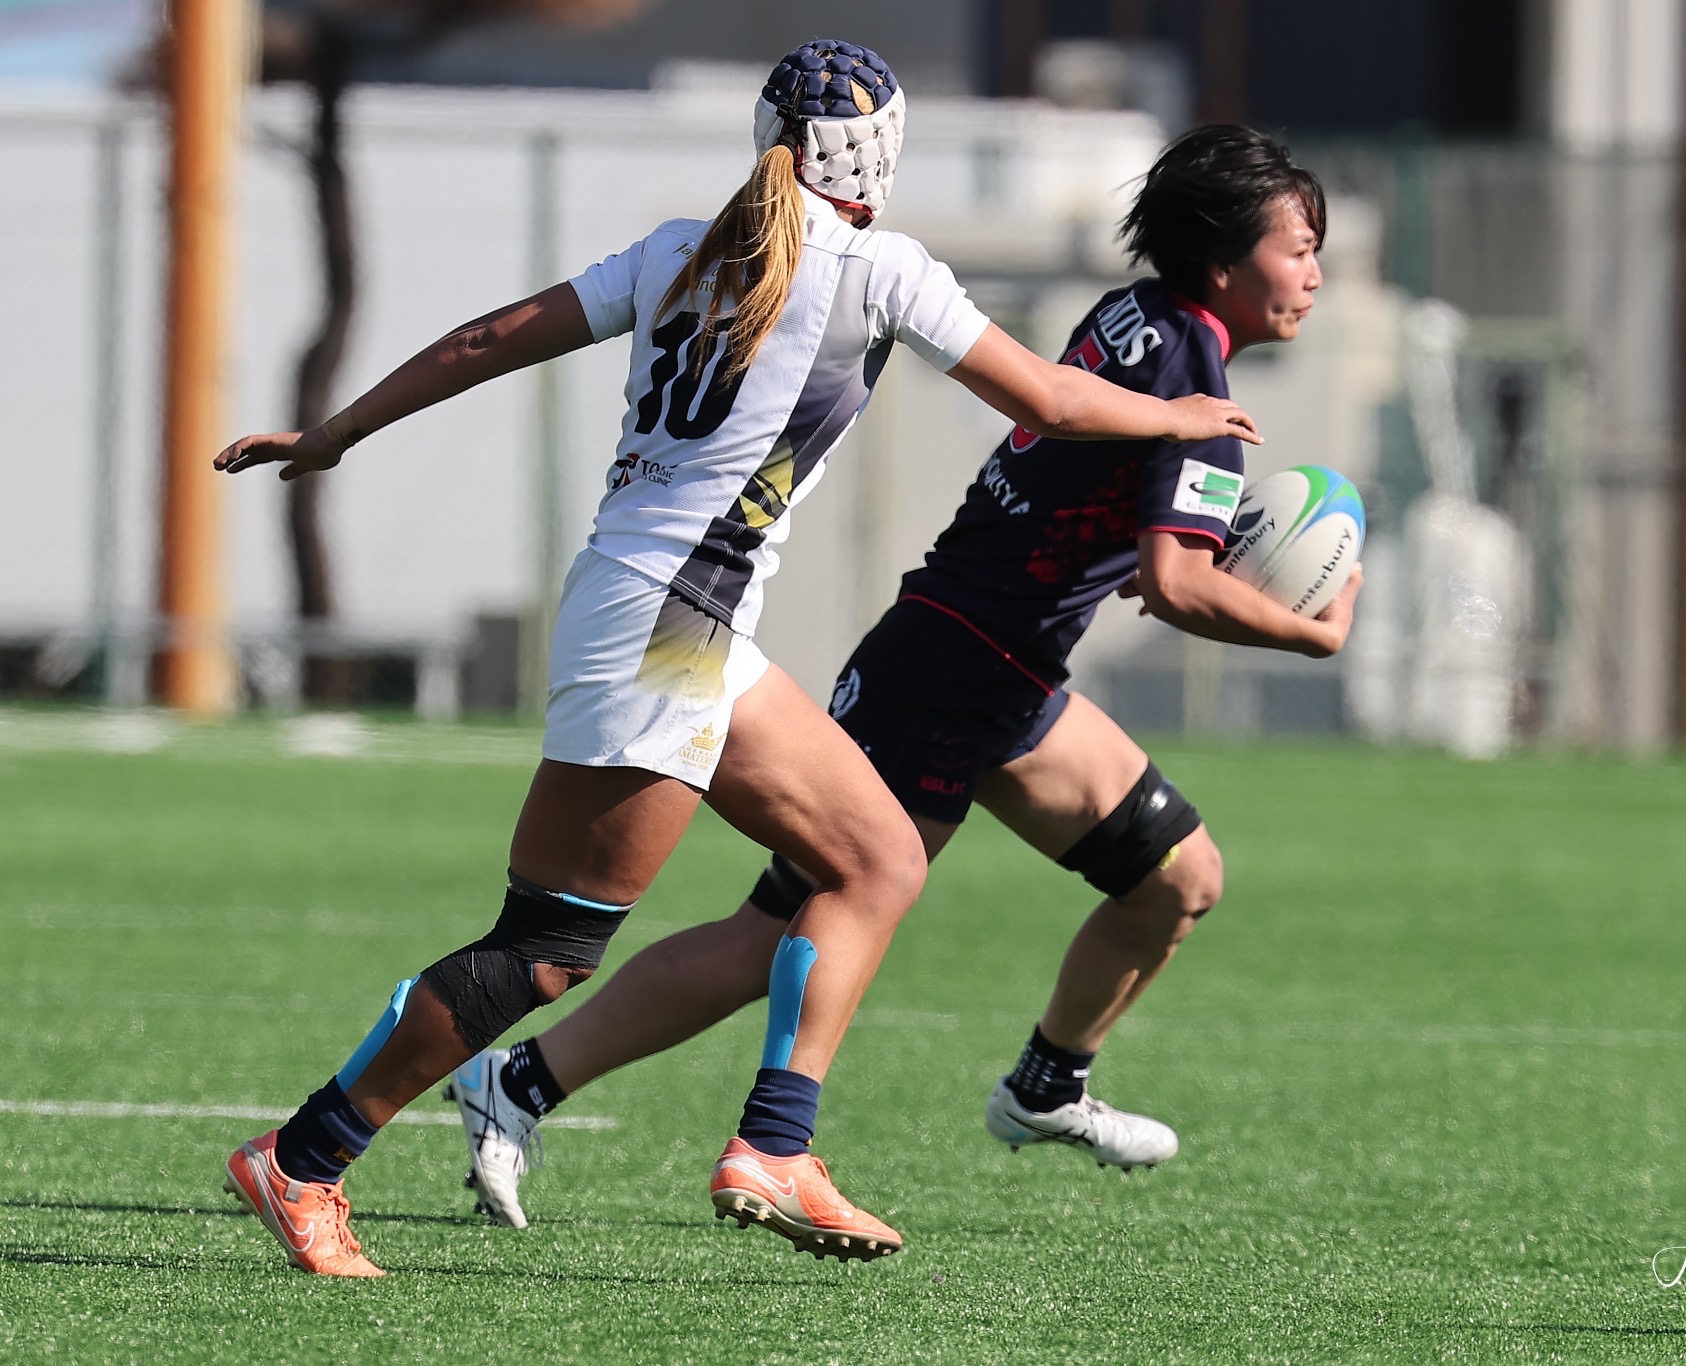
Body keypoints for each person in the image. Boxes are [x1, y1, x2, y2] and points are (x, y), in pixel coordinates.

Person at [214, 41, 1260, 1278]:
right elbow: (1047, 400)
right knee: (545, 947)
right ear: (878, 154)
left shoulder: (678, 250)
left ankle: (774, 1145)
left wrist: (340, 429)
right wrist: (1177, 413)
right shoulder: (877, 267)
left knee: (875, 857)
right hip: (670, 628)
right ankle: (306, 1157)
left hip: (671, 620)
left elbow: (492, 337)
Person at [447, 123, 1355, 1231]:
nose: (1314, 272)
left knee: (1177, 878)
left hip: (1002, 673)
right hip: (947, 671)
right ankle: (526, 1082)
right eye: (1298, 248)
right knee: (776, 930)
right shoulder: (1197, 389)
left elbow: (1096, 500)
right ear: (1222, 262)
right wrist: (1312, 632)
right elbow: (1178, 587)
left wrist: (1114, 545)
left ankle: (1045, 1086)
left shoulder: (1136, 319)